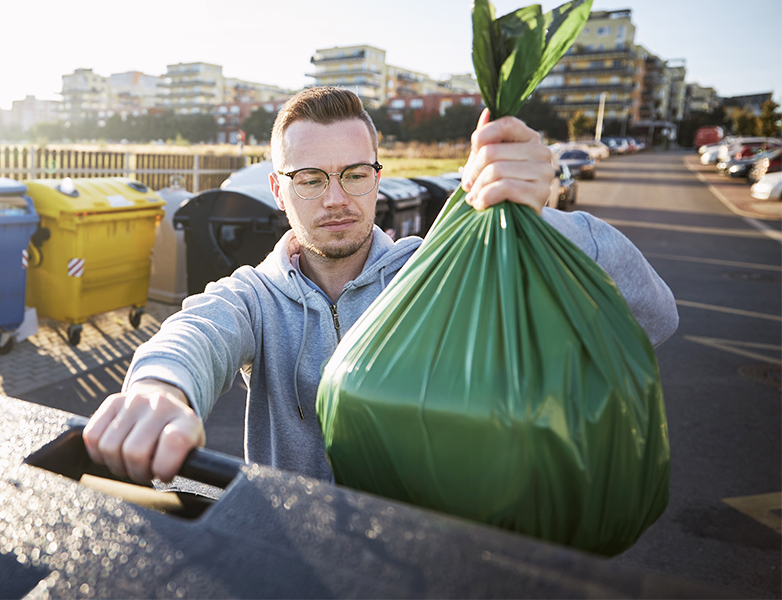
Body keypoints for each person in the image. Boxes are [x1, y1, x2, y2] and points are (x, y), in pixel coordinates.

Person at [84, 87, 678, 485]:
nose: (337, 198)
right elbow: (198, 329)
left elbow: (652, 317)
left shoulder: (434, 273)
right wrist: (160, 390)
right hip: (294, 559)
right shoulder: (255, 298)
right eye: (311, 178)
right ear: (278, 189)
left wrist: (530, 220)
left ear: (377, 176)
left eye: (354, 174)